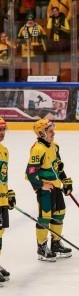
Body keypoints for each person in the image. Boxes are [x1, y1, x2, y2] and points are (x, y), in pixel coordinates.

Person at [25, 118, 73, 261]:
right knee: (45, 217)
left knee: (59, 213)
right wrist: (41, 185)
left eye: (53, 130)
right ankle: (41, 247)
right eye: (50, 131)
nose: (53, 133)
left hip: (56, 187)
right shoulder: (38, 149)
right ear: (41, 133)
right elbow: (30, 173)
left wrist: (65, 180)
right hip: (45, 190)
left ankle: (56, 244)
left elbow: (58, 166)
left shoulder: (54, 146)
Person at [0, 117, 15, 284]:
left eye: (4, 129)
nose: (2, 133)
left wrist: (8, 192)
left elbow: (2, 177)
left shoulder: (4, 150)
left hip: (1, 200)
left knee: (0, 232)